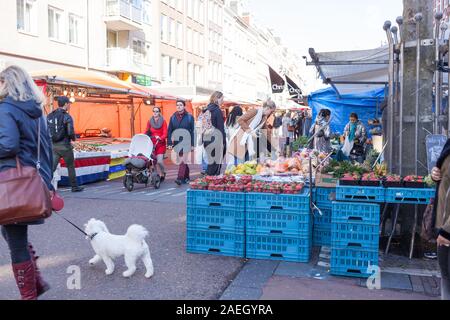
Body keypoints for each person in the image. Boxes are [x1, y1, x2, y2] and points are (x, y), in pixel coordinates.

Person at [0, 65, 54, 300]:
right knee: (12, 233)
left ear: (7, 83)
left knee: (16, 242)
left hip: (10, 183)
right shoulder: (37, 111)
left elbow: (8, 145)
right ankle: (37, 281)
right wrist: (47, 182)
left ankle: (29, 294)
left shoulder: (5, 109)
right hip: (28, 183)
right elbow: (47, 149)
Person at [47, 96, 84, 192]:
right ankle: (74, 187)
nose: (69, 106)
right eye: (69, 104)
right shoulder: (67, 116)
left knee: (52, 167)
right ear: (66, 104)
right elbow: (70, 131)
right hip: (65, 145)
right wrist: (73, 139)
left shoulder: (50, 115)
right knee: (70, 166)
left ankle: (44, 185)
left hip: (53, 145)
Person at [227, 99, 277, 163]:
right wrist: (249, 131)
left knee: (247, 164)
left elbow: (267, 133)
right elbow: (240, 120)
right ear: (267, 108)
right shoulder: (254, 111)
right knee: (239, 164)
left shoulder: (264, 118)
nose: (271, 113)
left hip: (249, 144)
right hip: (241, 140)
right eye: (271, 111)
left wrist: (275, 145)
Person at [431, 141, 450, 300]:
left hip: (447, 229)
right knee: (445, 276)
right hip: (443, 224)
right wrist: (436, 174)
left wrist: (447, 231)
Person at [168, 100, 195, 185]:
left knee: (183, 160)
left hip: (187, 141)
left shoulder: (190, 117)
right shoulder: (172, 117)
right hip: (177, 142)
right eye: (177, 105)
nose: (178, 106)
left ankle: (179, 178)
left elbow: (193, 132)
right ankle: (186, 177)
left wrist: (192, 144)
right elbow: (169, 131)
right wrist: (169, 142)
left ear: (184, 106)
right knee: (182, 161)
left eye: (180, 105)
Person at [203, 91, 226, 176]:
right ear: (216, 98)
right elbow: (220, 128)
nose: (223, 101)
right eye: (222, 99)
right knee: (216, 164)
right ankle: (211, 182)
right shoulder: (217, 110)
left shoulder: (206, 109)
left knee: (211, 162)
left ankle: (208, 180)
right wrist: (223, 141)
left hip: (206, 139)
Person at [145, 106, 168, 182]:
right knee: (152, 162)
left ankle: (163, 172)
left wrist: (160, 138)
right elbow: (146, 131)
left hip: (160, 143)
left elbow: (165, 133)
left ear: (159, 112)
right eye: (154, 111)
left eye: (157, 111)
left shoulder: (163, 121)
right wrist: (143, 136)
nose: (155, 113)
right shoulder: (149, 121)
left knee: (159, 161)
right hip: (152, 143)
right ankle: (156, 176)